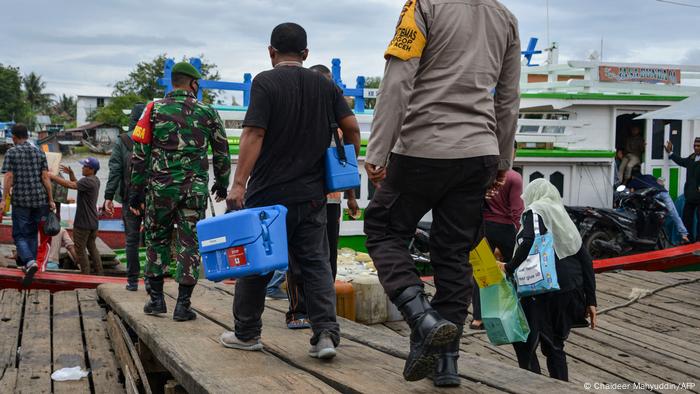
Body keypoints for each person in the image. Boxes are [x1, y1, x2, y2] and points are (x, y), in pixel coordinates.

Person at [363, 0, 520, 386]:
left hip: (421, 148)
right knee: (453, 254)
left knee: (383, 231)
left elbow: (398, 79)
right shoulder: (506, 18)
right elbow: (508, 98)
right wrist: (503, 160)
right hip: (479, 154)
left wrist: (378, 150)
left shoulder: (424, 6)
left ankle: (421, 318)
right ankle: (446, 362)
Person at [221, 23, 361, 359]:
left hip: (268, 194)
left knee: (256, 266)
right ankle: (326, 335)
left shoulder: (265, 82)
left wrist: (239, 184)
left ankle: (246, 334)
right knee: (315, 265)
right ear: (306, 54)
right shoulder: (324, 85)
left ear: (271, 52)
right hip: (312, 195)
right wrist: (347, 172)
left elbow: (253, 134)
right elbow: (352, 128)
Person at [128, 62, 231, 322]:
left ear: (173, 83)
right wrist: (221, 182)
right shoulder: (207, 111)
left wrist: (136, 192)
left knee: (156, 240)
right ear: (193, 84)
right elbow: (221, 150)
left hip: (160, 190)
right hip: (193, 191)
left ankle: (156, 300)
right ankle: (183, 305)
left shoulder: (152, 110)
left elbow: (139, 155)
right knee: (189, 244)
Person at [279, 63, 362, 330]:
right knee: (298, 258)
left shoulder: (336, 124)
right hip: (299, 196)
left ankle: (323, 312)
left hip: (330, 200)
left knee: (327, 258)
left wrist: (351, 196)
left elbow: (345, 161)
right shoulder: (297, 119)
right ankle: (298, 310)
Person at [499, 179, 597, 382]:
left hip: (542, 290)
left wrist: (509, 267)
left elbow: (529, 239)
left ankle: (533, 385)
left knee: (525, 342)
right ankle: (562, 386)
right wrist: (591, 301)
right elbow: (586, 259)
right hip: (572, 289)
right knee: (555, 345)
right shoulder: (562, 218)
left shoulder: (536, 210)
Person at [471, 141, 524, 331]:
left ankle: (478, 318)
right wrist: (520, 234)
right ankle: (513, 312)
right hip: (505, 228)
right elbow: (517, 210)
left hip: (483, 227)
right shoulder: (513, 177)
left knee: (482, 273)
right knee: (512, 270)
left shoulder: (485, 174)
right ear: (513, 154)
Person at [1, 124, 55, 286]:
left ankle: (30, 262)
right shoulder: (39, 152)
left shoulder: (11, 152)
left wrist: (4, 198)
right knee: (32, 233)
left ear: (14, 137)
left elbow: (9, 177)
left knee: (19, 234)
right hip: (39, 200)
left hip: (21, 200)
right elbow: (46, 178)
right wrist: (51, 199)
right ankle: (30, 264)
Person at [104, 103, 146, 291]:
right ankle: (154, 283)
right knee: (155, 239)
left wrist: (108, 196)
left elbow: (115, 171)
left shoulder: (123, 141)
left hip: (130, 197)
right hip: (154, 197)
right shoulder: (156, 138)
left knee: (131, 240)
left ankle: (132, 281)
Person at [51, 158, 103, 275]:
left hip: (83, 223)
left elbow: (70, 185)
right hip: (93, 222)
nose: (82, 168)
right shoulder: (95, 180)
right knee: (92, 248)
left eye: (85, 166)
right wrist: (71, 174)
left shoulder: (88, 181)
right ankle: (100, 273)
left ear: (91, 170)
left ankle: (85, 275)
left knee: (80, 250)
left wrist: (52, 176)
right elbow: (77, 184)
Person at [627, 165, 689, 243]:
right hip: (664, 193)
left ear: (632, 176)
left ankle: (650, 236)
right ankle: (684, 234)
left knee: (651, 214)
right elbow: (661, 183)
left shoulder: (633, 181)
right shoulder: (648, 176)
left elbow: (631, 193)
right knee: (674, 213)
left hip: (655, 196)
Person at [665, 139, 700, 241]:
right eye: (695, 145)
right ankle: (688, 240)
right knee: (687, 218)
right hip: (690, 194)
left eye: (699, 146)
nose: (696, 148)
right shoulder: (692, 157)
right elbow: (682, 162)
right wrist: (671, 153)